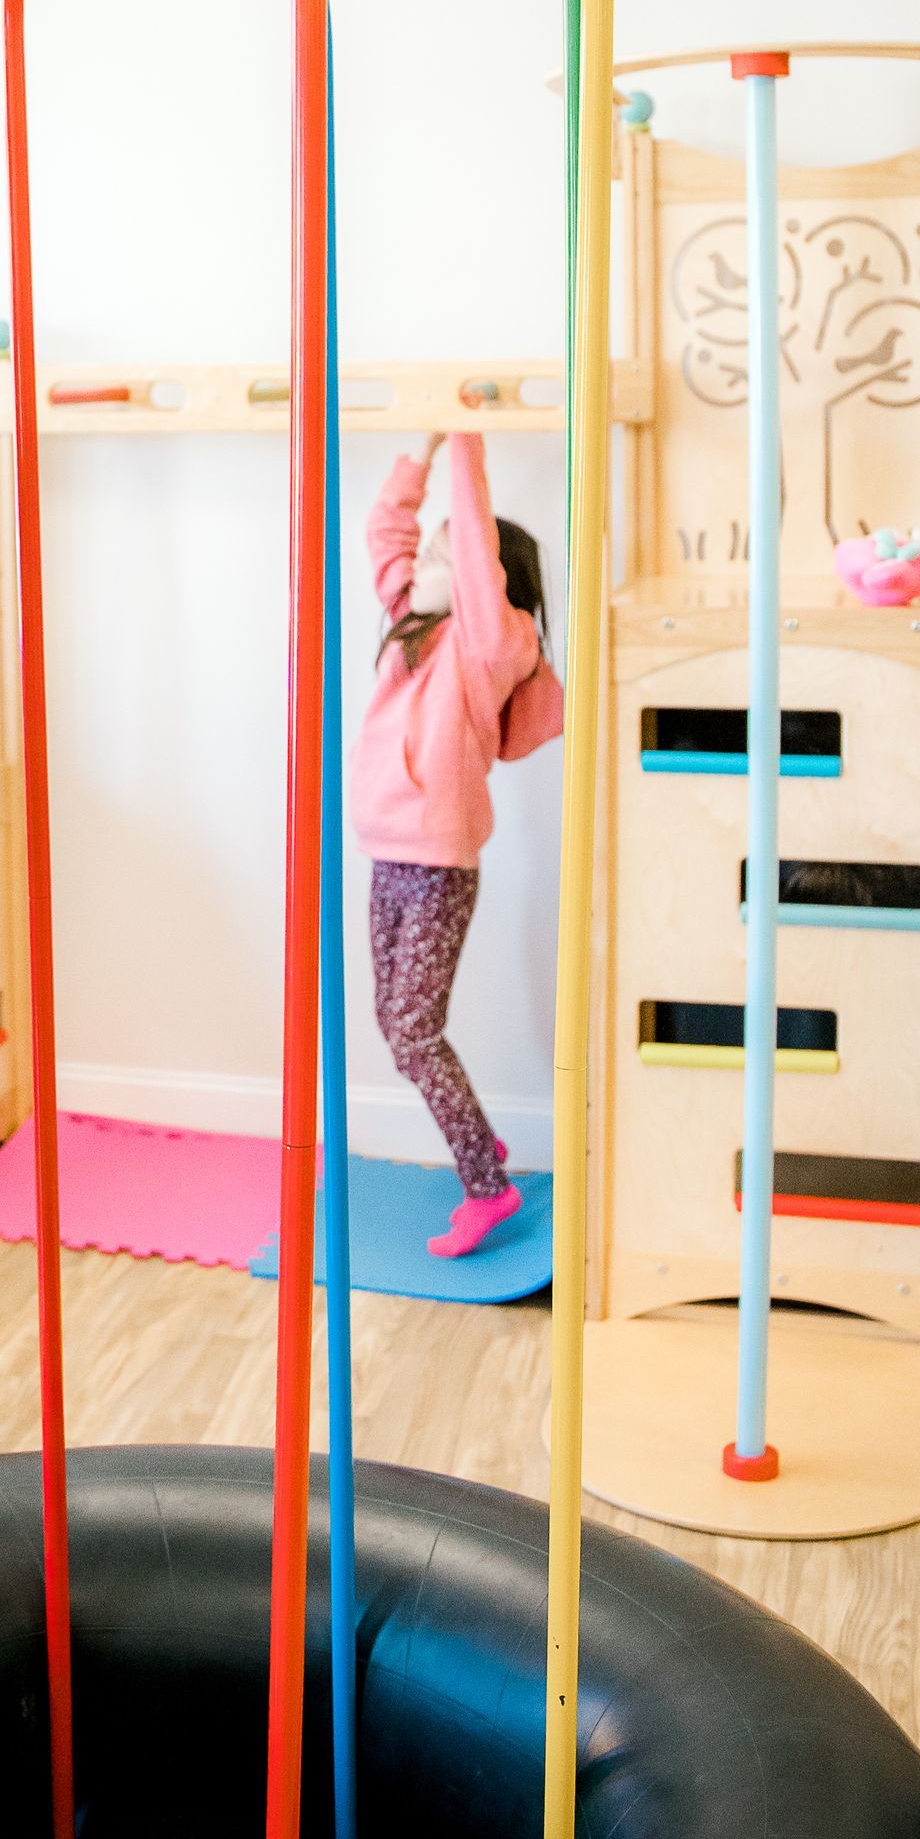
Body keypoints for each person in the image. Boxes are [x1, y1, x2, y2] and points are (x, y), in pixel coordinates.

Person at [348, 430, 562, 1256]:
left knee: (413, 1031)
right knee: (392, 1021)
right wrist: (420, 450)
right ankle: (477, 1138)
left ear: (484, 580)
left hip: (438, 866)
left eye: (450, 550)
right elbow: (385, 532)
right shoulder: (414, 623)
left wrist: (468, 442)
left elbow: (470, 549)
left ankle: (487, 1185)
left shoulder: (489, 645)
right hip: (387, 855)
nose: (431, 557)